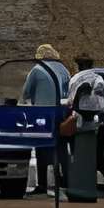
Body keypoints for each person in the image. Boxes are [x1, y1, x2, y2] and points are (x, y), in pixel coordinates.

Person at [22, 44, 70, 193]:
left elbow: (26, 93)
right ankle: (65, 182)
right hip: (62, 114)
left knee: (42, 148)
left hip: (42, 114)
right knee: (61, 148)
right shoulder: (64, 70)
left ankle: (42, 184)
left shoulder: (37, 70)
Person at [66, 52, 104, 201]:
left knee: (76, 156)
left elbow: (70, 102)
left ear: (79, 65)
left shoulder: (76, 79)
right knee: (91, 159)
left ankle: (78, 188)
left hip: (79, 122)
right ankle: (88, 188)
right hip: (93, 122)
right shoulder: (99, 79)